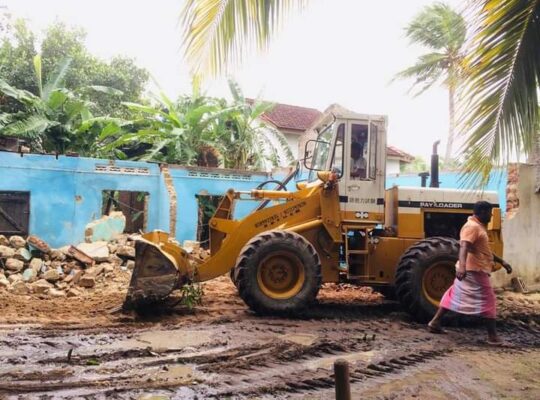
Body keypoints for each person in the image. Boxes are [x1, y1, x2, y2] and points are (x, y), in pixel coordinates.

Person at [427, 201, 513, 345]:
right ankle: (493, 337)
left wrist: (501, 261)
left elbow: (482, 249)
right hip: (475, 269)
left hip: (473, 268)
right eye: (490, 213)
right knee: (489, 300)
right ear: (483, 212)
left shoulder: (477, 226)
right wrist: (462, 266)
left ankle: (435, 322)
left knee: (453, 293)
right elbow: (464, 246)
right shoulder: (472, 227)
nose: (491, 216)